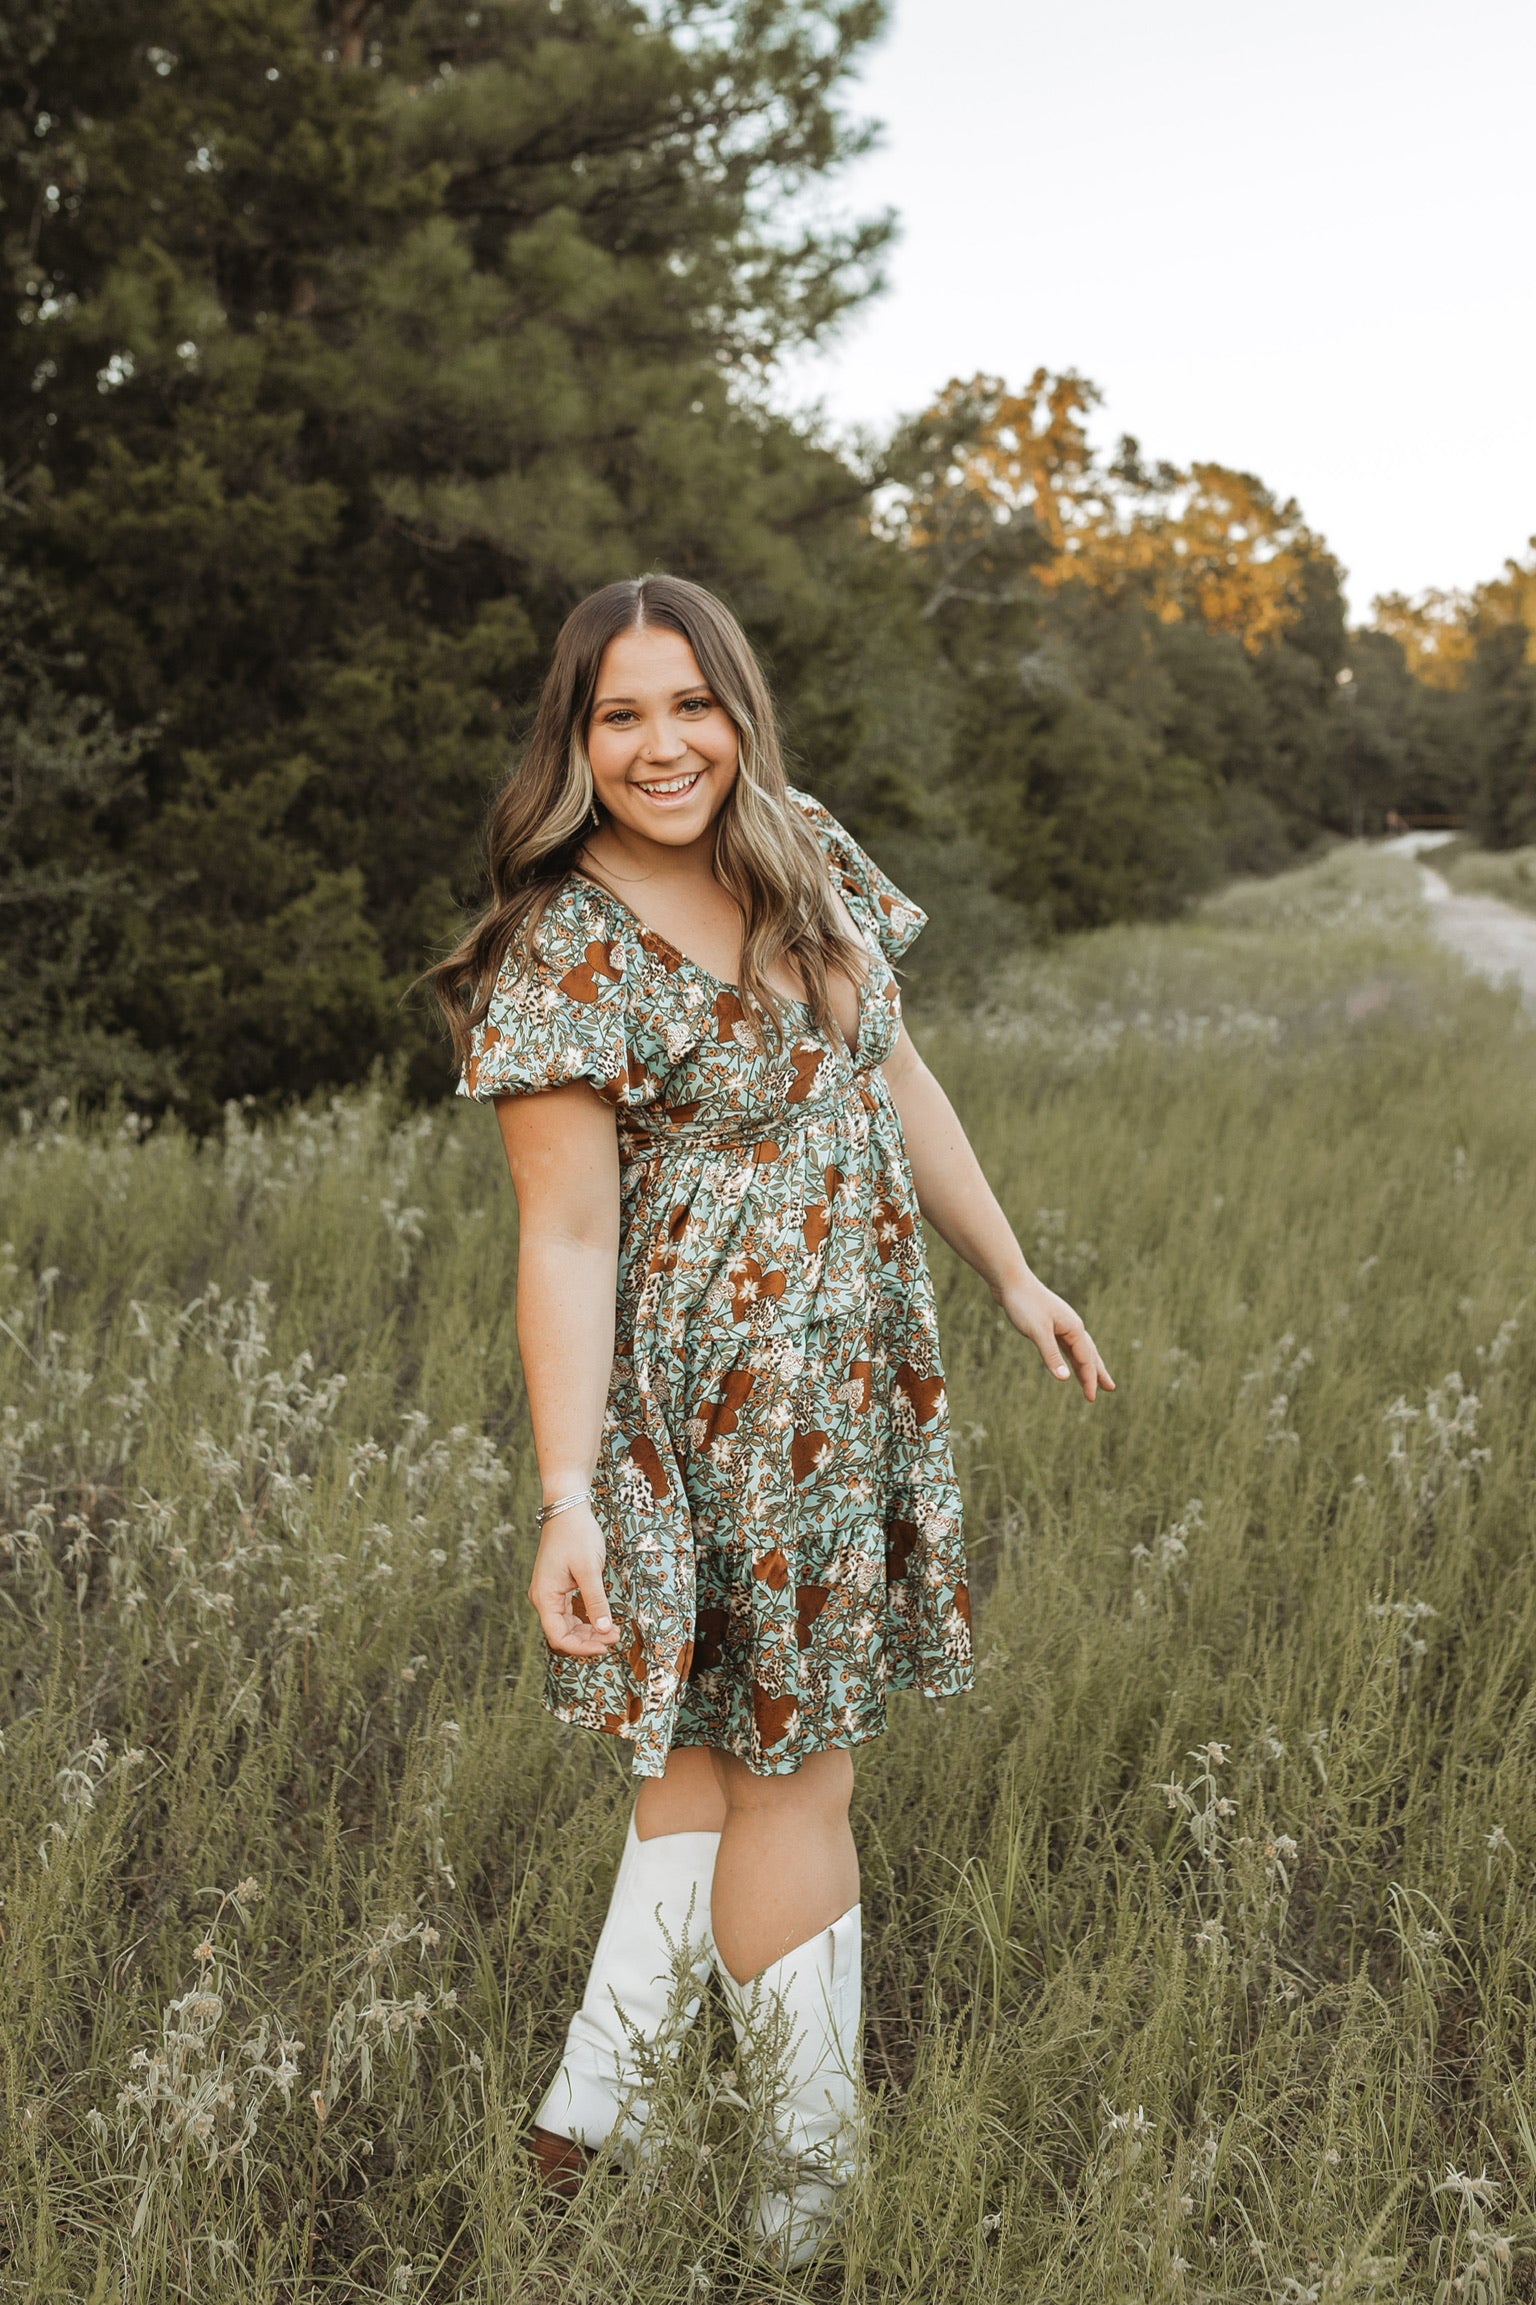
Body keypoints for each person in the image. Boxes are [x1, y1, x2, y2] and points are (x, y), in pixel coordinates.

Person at [432, 574, 1112, 2265]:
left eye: (691, 705)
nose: (665, 746)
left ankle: (585, 2129)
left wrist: (1012, 1270)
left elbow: (891, 1069)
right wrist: (569, 1495)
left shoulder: (801, 843)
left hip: (854, 1379)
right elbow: (567, 1234)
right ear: (576, 741)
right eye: (621, 716)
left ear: (740, 706)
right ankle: (814, 2203)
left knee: (696, 1778)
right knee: (794, 1775)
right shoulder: (561, 945)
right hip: (709, 1408)